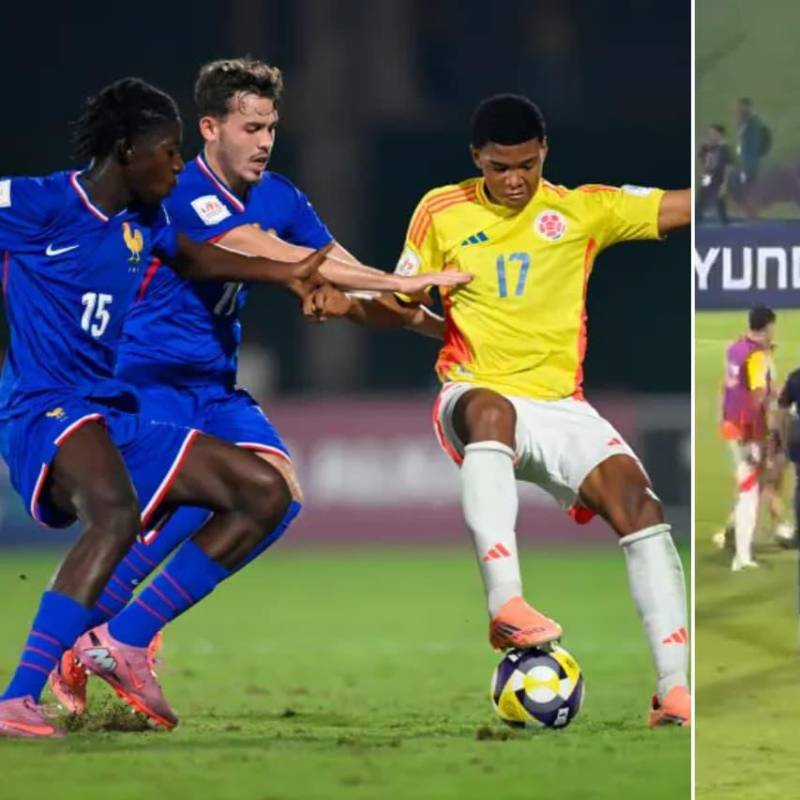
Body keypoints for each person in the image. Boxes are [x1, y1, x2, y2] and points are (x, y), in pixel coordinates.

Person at [0, 77, 467, 739]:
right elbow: (247, 247)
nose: (175, 163)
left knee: (262, 493)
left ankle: (119, 642)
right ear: (129, 149)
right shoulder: (41, 201)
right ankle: (23, 693)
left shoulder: (154, 217)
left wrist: (311, 281)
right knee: (116, 516)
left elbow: (206, 258)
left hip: (131, 407)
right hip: (52, 404)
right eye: (168, 150)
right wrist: (375, 279)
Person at [309, 94, 693, 727]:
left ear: (544, 154)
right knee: (492, 412)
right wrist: (351, 306)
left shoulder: (580, 210)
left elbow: (680, 207)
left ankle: (674, 692)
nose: (513, 180)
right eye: (498, 167)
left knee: (642, 510)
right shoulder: (441, 209)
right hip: (473, 389)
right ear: (475, 160)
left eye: (525, 165)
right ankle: (507, 605)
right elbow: (404, 305)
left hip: (562, 406)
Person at [717, 306, 782, 570]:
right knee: (750, 492)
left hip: (732, 426)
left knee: (749, 486)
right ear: (766, 326)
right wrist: (759, 434)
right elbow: (757, 395)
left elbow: (728, 387)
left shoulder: (735, 348)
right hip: (747, 431)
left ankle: (734, 539)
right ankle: (741, 556)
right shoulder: (756, 357)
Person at [733, 98, 771, 217]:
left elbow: (753, 145)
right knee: (748, 185)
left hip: (749, 161)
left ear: (748, 107)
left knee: (748, 185)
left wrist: (747, 162)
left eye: (742, 108)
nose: (739, 110)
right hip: (748, 160)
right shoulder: (748, 122)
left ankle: (751, 210)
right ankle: (750, 210)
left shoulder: (753, 122)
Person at [697, 125, 732, 224]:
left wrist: (725, 183)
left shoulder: (725, 149)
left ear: (720, 135)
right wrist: (702, 172)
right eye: (710, 133)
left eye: (714, 133)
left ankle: (724, 218)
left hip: (719, 177)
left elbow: (727, 167)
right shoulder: (705, 147)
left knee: (720, 197)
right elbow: (702, 161)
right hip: (707, 176)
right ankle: (698, 216)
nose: (711, 135)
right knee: (702, 194)